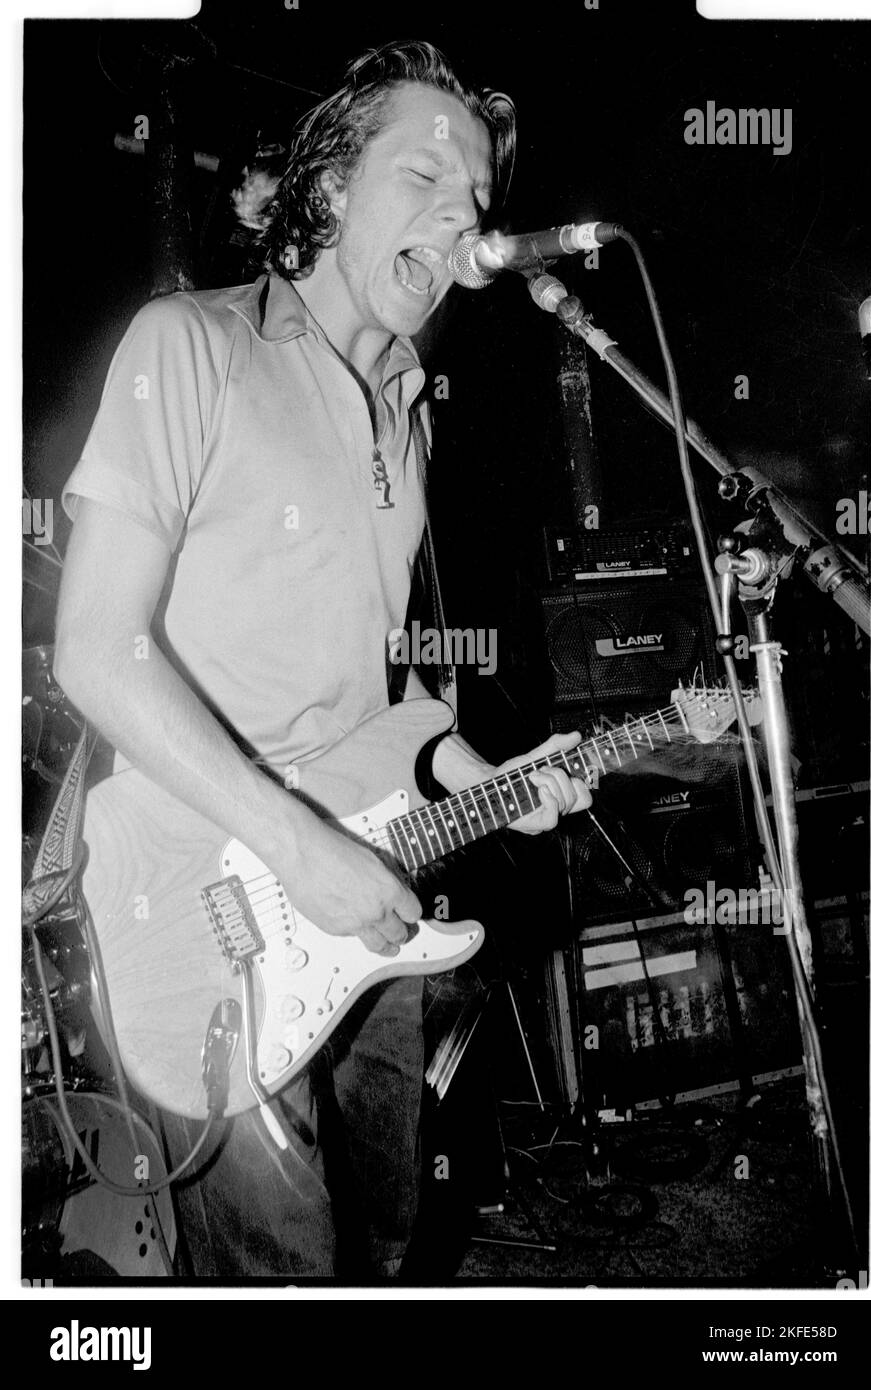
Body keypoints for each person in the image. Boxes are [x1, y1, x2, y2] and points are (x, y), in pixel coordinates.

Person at [54, 39, 592, 1279]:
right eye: (425, 176)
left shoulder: (406, 412)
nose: (464, 219)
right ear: (333, 186)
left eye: (476, 201)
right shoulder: (186, 344)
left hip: (367, 872)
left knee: (392, 1244)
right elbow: (94, 648)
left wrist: (488, 770)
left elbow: (375, 688)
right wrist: (301, 847)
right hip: (202, 900)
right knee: (280, 1266)